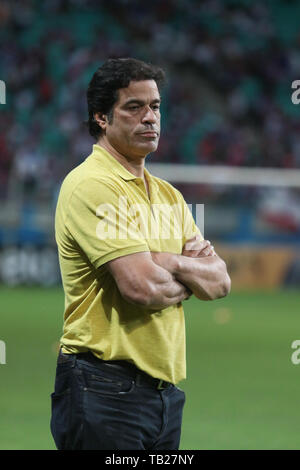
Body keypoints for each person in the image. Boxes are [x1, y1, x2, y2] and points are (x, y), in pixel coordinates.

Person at [51, 57, 231, 450]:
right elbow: (142, 289)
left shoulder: (169, 195)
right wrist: (188, 272)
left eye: (156, 106)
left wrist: (168, 261)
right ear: (101, 117)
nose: (150, 118)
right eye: (134, 107)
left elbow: (219, 282)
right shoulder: (91, 186)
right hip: (103, 387)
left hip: (165, 394)